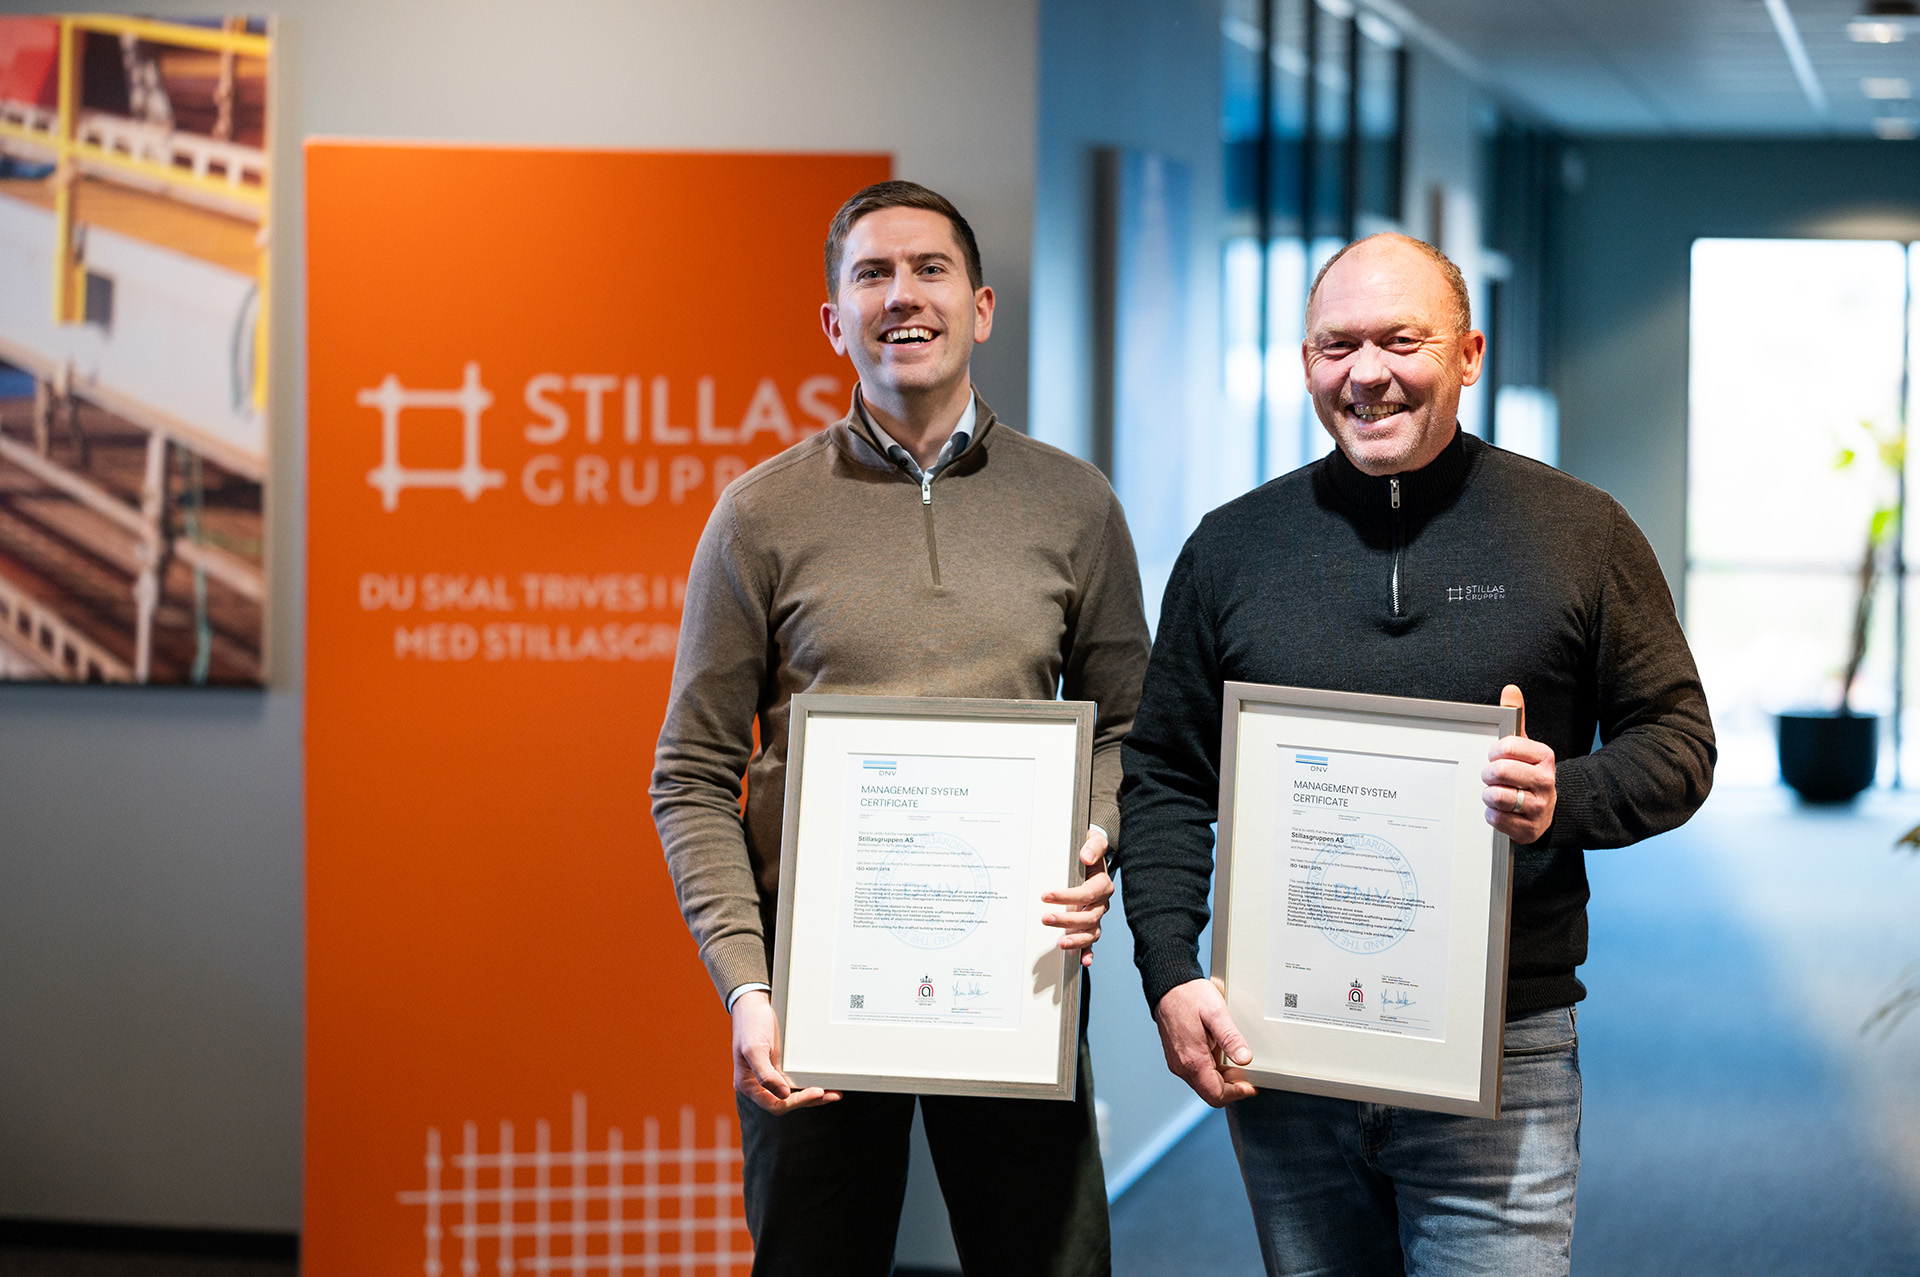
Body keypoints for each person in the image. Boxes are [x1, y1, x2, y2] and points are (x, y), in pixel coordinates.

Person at [1117, 232, 1715, 1276]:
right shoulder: (1232, 548)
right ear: (1305, 361)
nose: (1368, 374)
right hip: (1286, 1045)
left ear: (1469, 354)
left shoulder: (1581, 533)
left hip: (1502, 1047)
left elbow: (1679, 741)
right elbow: (1165, 772)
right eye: (1337, 345)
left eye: (1402, 341)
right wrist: (1169, 966)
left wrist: (1562, 795)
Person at [651, 180, 1149, 1277]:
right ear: (836, 322)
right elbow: (690, 772)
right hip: (815, 992)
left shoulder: (1074, 505)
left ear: (981, 307)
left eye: (931, 269)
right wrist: (746, 982)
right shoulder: (760, 514)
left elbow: (1129, 728)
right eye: (872, 274)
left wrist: (1096, 837)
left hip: (1018, 974)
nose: (903, 295)